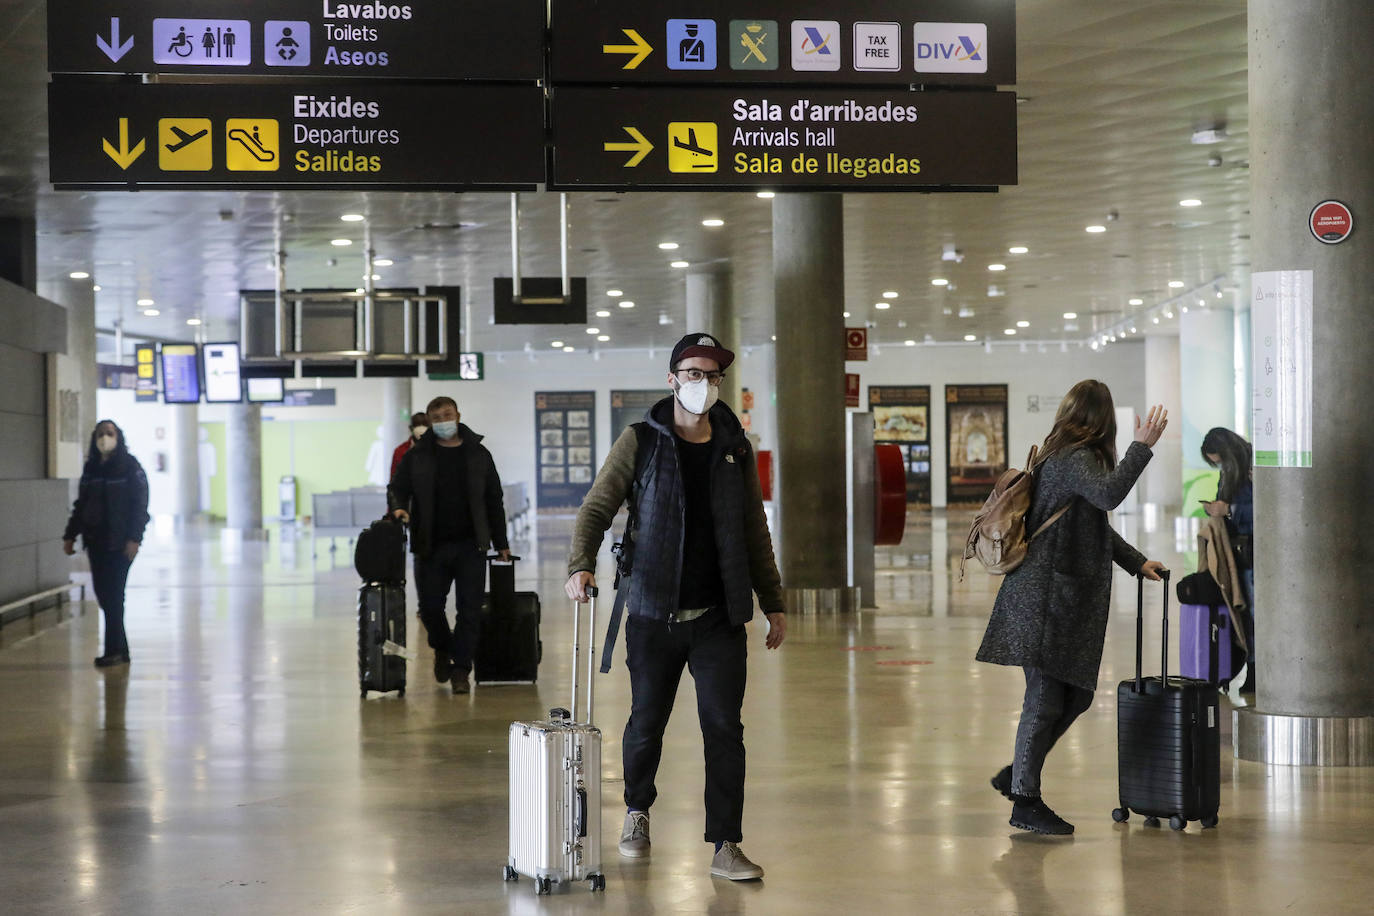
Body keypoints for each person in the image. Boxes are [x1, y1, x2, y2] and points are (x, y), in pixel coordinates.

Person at [565, 332, 785, 881]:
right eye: (693, 373)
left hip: (718, 616)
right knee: (645, 724)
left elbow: (755, 530)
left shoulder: (735, 447)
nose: (703, 384)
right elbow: (597, 507)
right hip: (651, 611)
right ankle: (637, 811)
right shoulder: (641, 440)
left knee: (723, 728)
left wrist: (773, 601)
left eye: (712, 376)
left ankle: (726, 843)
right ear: (672, 379)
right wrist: (580, 565)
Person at [975, 381, 1169, 835]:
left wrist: (1137, 562)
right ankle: (1025, 799)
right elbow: (1109, 496)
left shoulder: (1067, 458)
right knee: (1044, 699)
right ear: (1104, 421)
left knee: (1077, 695)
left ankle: (1018, 773)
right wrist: (1141, 449)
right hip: (1045, 599)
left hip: (1058, 598)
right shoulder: (1073, 459)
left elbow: (1094, 522)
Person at [388, 397, 510, 694]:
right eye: (436, 417)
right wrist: (399, 508)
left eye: (447, 414)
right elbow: (397, 488)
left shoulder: (478, 454)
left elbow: (494, 500)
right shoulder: (417, 456)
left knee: (470, 610)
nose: (443, 421)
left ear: (458, 415)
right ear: (429, 422)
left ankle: (461, 670)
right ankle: (443, 648)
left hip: (472, 545)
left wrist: (501, 542)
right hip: (430, 545)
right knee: (430, 609)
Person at [62, 420, 150, 668]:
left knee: (113, 596)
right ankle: (120, 650)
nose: (104, 438)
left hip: (120, 544)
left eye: (109, 433)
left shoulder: (130, 467)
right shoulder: (91, 469)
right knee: (104, 596)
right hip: (97, 542)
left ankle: (114, 651)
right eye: (101, 434)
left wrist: (134, 538)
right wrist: (70, 535)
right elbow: (82, 505)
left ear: (118, 437)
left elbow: (140, 506)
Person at [1201, 427, 1255, 693]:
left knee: (1254, 614)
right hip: (1236, 552)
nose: (1218, 466)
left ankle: (1256, 671)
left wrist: (1229, 510)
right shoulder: (1230, 471)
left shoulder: (1253, 464)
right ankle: (1251, 668)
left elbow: (1264, 507)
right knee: (1243, 614)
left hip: (1253, 551)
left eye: (1219, 461)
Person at [391, 412, 429, 481]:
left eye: (425, 425)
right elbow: (393, 479)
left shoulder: (438, 447)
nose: (421, 429)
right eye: (417, 425)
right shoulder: (400, 451)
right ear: (411, 428)